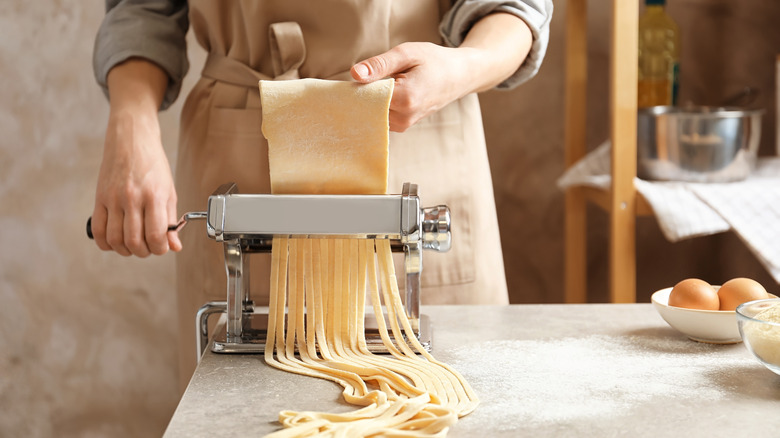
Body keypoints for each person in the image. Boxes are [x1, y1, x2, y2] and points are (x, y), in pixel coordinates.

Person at [92, 0, 553, 390]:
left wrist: (459, 67)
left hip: (412, 126)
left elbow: (512, 6)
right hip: (238, 147)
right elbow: (142, 7)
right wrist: (130, 126)